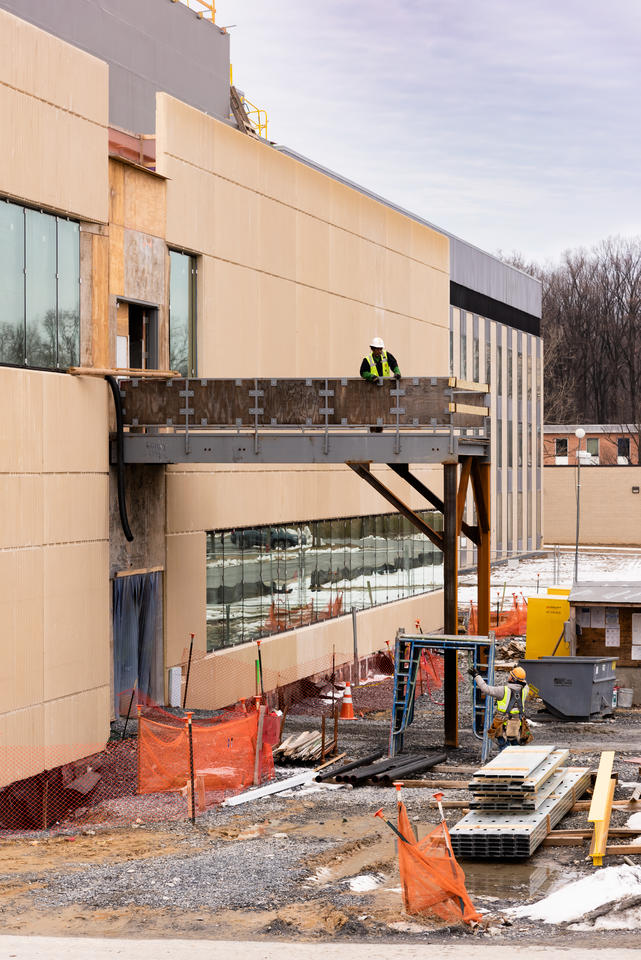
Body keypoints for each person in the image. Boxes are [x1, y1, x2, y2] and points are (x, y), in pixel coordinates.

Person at [471, 666, 533, 751]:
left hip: (502, 724)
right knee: (517, 748)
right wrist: (520, 676)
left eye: (511, 675)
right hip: (518, 725)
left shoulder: (503, 691)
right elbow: (523, 682)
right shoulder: (525, 689)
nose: (509, 676)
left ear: (513, 679)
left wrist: (476, 676)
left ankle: (506, 762)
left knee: (504, 749)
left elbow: (486, 689)